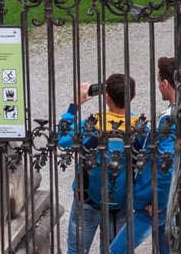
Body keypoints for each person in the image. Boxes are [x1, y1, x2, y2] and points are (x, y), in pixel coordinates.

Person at [109, 55, 181, 254]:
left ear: (166, 83)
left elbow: (165, 167)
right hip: (176, 193)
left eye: (159, 81)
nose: (158, 86)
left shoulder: (169, 120)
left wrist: (158, 201)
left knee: (117, 250)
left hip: (156, 203)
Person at [58, 73, 145, 254]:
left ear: (106, 97)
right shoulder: (140, 128)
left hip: (88, 199)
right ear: (133, 97)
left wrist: (75, 104)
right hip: (121, 203)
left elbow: (61, 138)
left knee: (76, 250)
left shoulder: (91, 124)